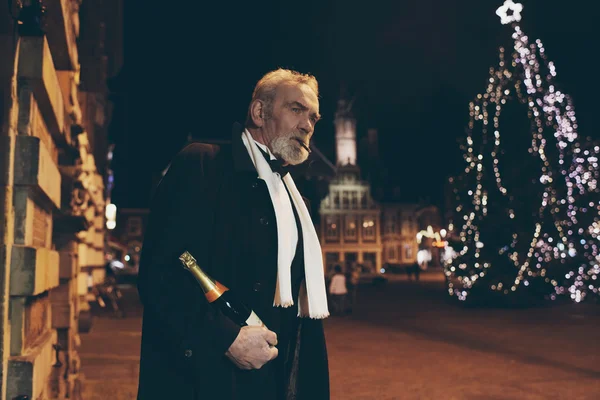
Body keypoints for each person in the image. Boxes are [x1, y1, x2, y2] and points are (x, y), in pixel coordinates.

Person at [136, 69, 330, 400]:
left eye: (313, 117)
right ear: (259, 112)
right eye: (296, 109)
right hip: (205, 381)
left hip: (273, 385)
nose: (307, 125)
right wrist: (225, 338)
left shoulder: (302, 203)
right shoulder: (203, 165)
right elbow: (160, 273)